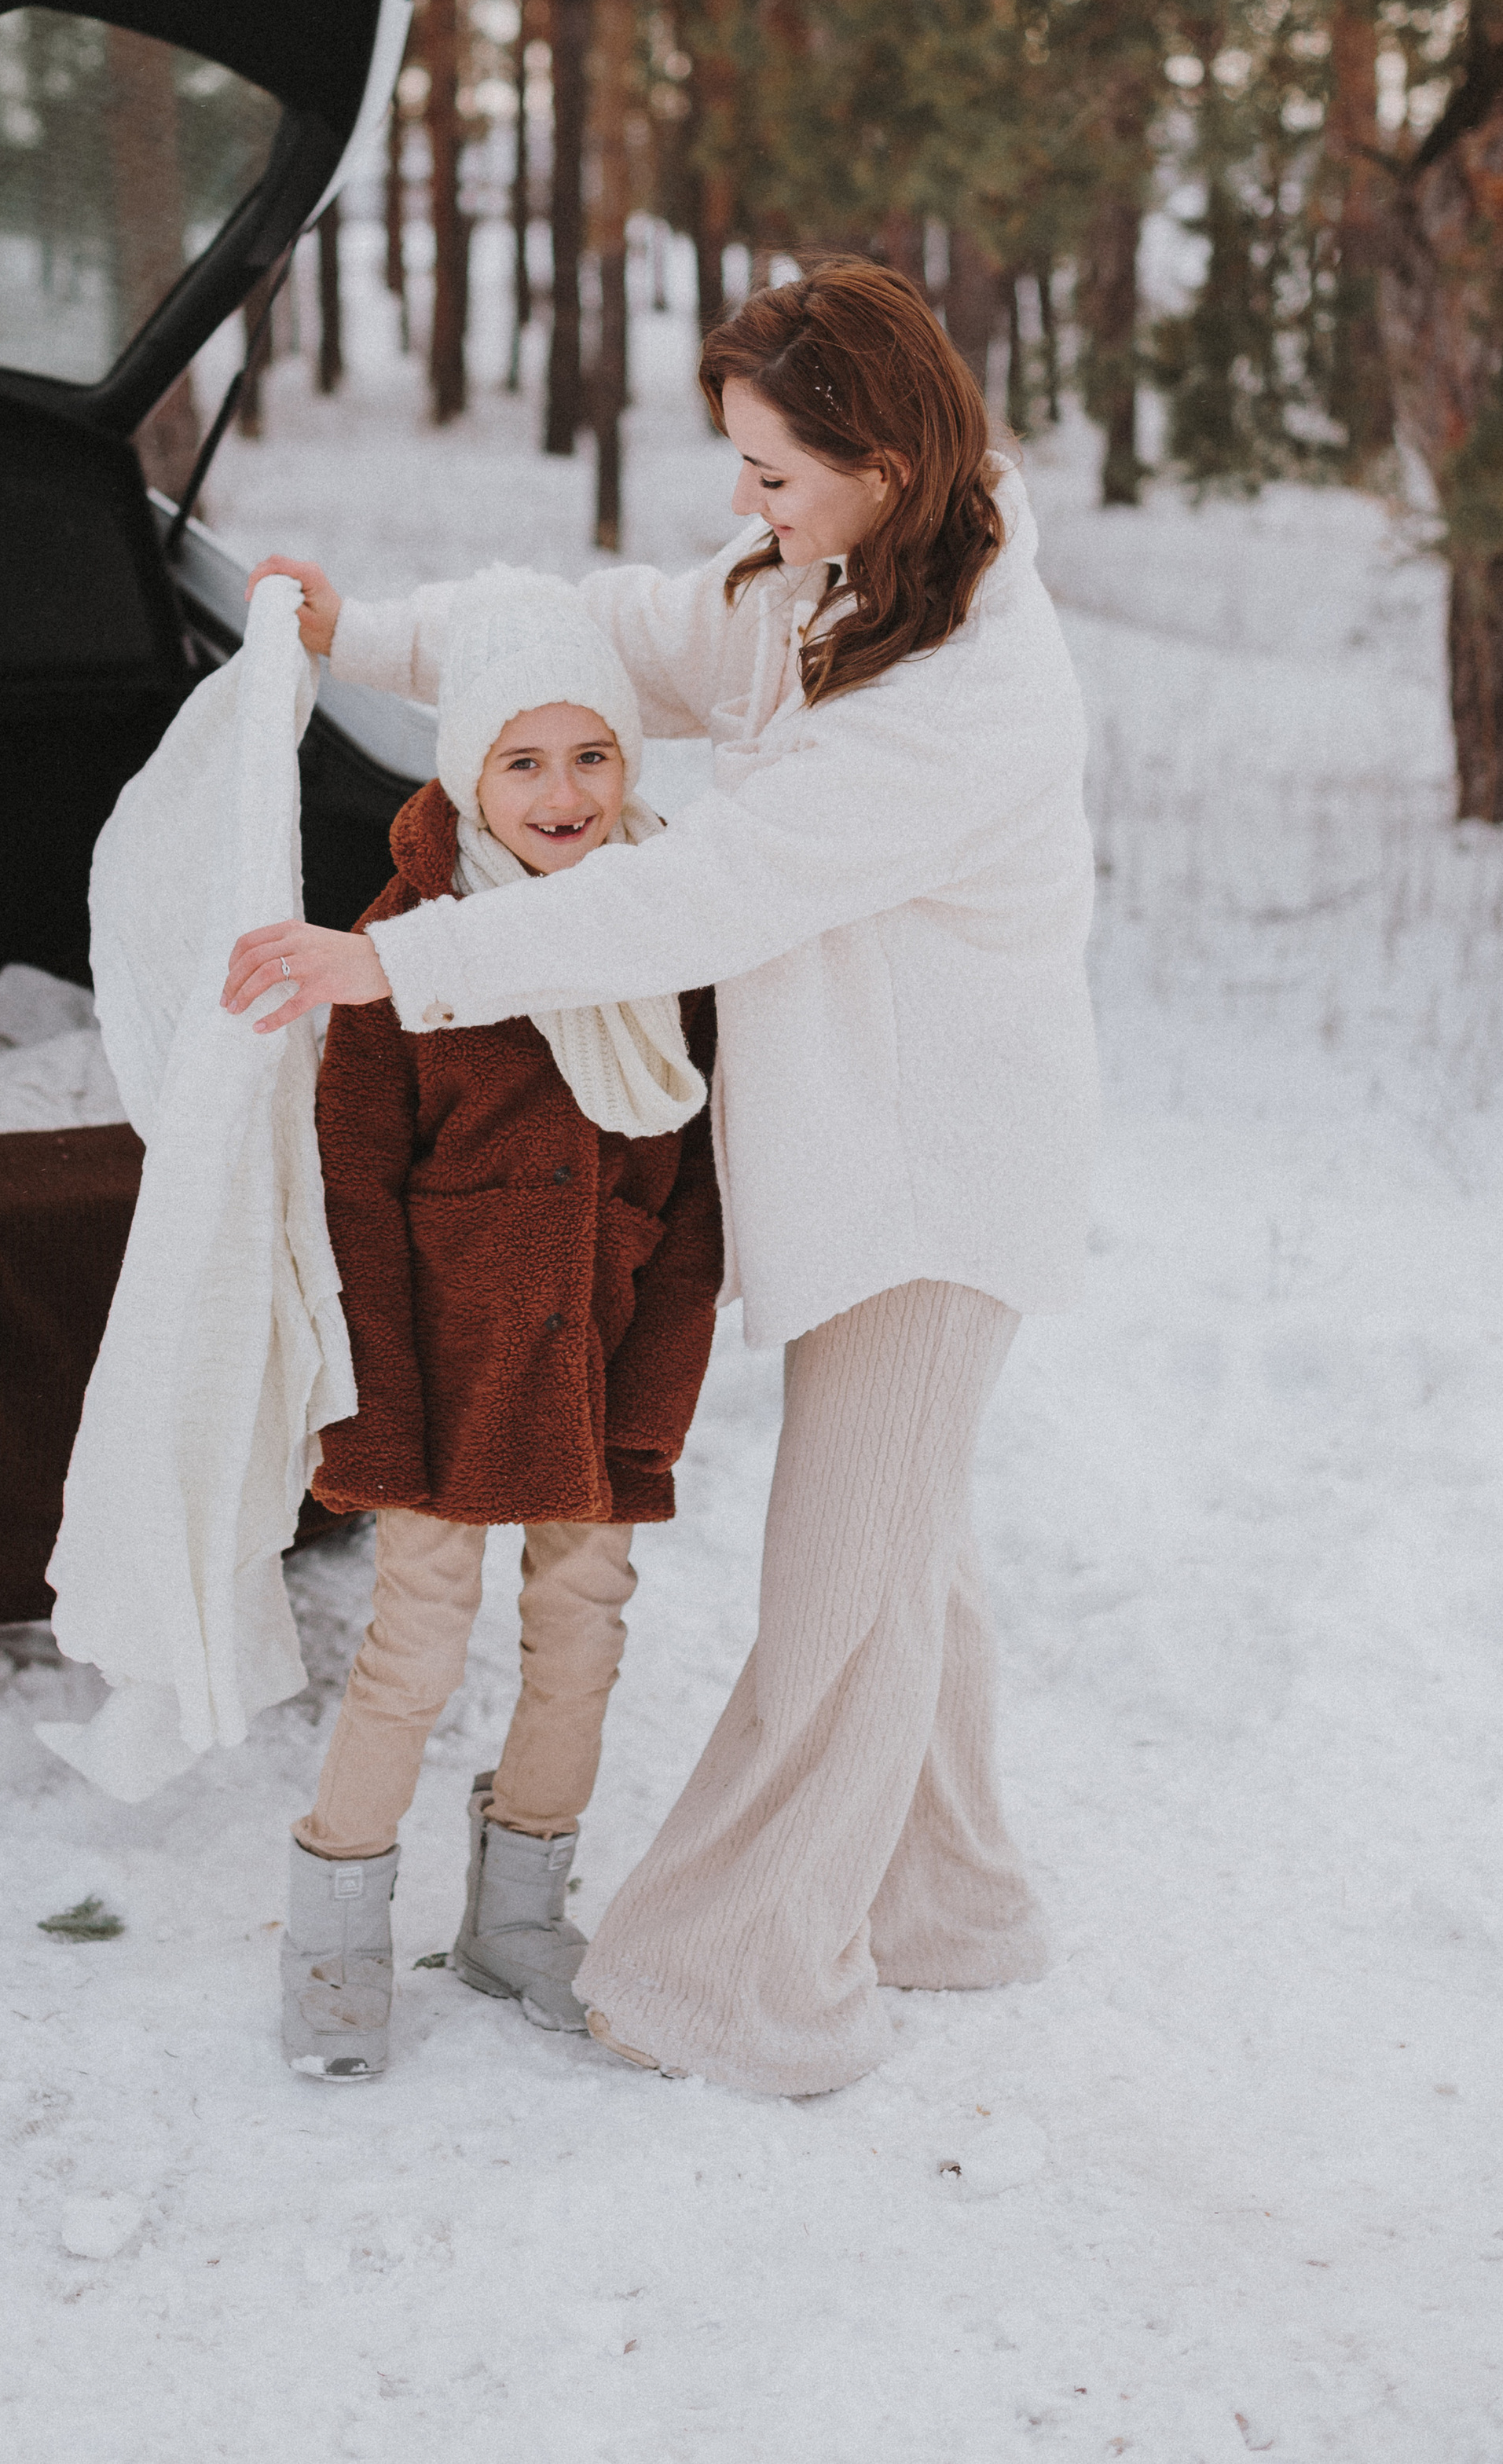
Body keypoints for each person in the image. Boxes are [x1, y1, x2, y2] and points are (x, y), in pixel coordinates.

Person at [227, 255, 1098, 2102]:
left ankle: (733, 1986)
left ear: (884, 458)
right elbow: (598, 634)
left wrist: (403, 961)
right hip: (865, 1159)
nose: (743, 507)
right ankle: (948, 1907)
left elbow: (697, 888)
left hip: (933, 1188)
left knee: (841, 1589)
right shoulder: (838, 579)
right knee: (904, 1562)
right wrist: (357, 635)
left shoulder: (958, 694)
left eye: (772, 471)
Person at [281, 574, 724, 2084]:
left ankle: (520, 1911)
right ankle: (336, 1926)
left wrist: (651, 1396)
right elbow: (352, 1198)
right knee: (412, 1643)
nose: (561, 793)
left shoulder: (669, 941)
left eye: (591, 756)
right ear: (469, 773)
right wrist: (375, 1415)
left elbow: (695, 1216)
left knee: (582, 1636)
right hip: (440, 1383)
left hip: (593, 1370)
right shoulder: (404, 949)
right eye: (523, 762)